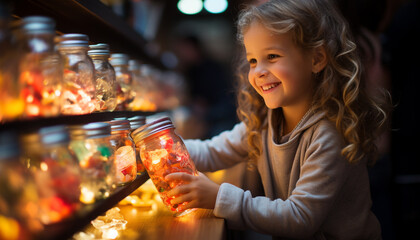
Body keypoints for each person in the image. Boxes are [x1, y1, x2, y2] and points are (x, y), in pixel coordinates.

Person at [165, 0, 389, 239]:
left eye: (272, 56)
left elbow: (299, 217)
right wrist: (161, 152)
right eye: (253, 60)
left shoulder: (329, 134)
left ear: (317, 59)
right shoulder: (263, 121)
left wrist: (218, 197)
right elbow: (213, 151)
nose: (258, 71)